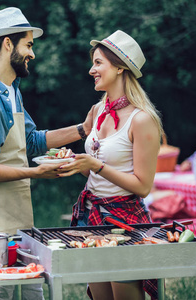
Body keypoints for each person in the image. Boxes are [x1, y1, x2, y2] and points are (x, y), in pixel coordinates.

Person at [0, 7, 93, 300]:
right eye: (28, 44)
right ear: (8, 43)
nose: (33, 53)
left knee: (33, 289)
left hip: (16, 209)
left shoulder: (11, 91)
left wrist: (83, 129)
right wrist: (35, 173)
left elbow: (30, 141)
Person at [59, 30, 163, 300]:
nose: (91, 69)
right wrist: (74, 163)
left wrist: (96, 165)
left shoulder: (142, 120)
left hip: (123, 221)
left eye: (98, 63)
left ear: (119, 67)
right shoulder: (97, 111)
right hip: (90, 216)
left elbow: (143, 186)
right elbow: (93, 168)